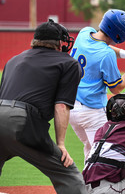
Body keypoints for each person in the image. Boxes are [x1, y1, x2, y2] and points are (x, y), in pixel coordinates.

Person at [0, 19, 87, 194]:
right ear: (60, 43)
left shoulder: (13, 60)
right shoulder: (68, 63)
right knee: (69, 175)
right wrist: (61, 144)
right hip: (22, 122)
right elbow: (61, 106)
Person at [69, 9, 125, 160]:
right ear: (117, 34)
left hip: (70, 107)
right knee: (105, 155)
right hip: (92, 112)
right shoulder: (106, 54)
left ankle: (86, 182)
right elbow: (117, 88)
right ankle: (98, 183)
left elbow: (102, 45)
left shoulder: (84, 33)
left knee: (90, 148)